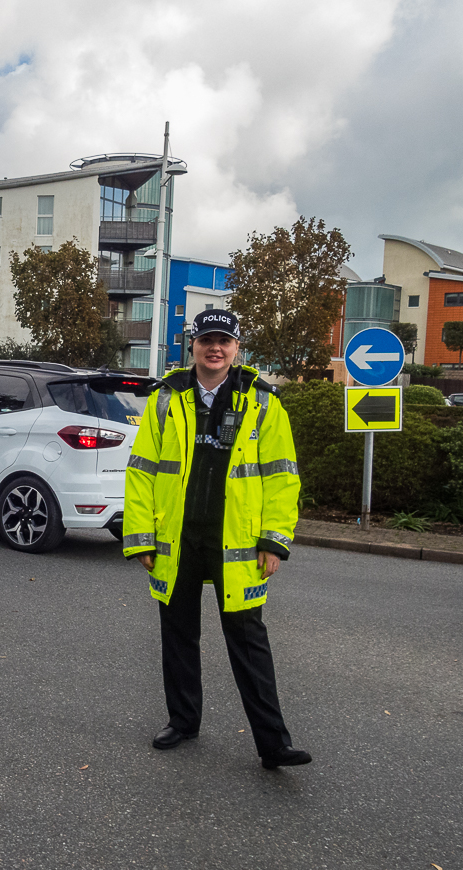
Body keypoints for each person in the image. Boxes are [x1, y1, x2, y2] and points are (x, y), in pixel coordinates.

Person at [122, 309, 311, 770]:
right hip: (177, 536)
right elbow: (142, 472)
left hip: (238, 540)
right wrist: (142, 538)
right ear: (193, 345)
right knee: (178, 632)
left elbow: (283, 477)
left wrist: (274, 539)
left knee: (248, 640)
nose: (216, 348)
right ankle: (183, 721)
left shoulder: (263, 403)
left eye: (224, 340)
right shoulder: (167, 400)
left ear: (237, 348)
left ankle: (273, 743)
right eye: (207, 338)